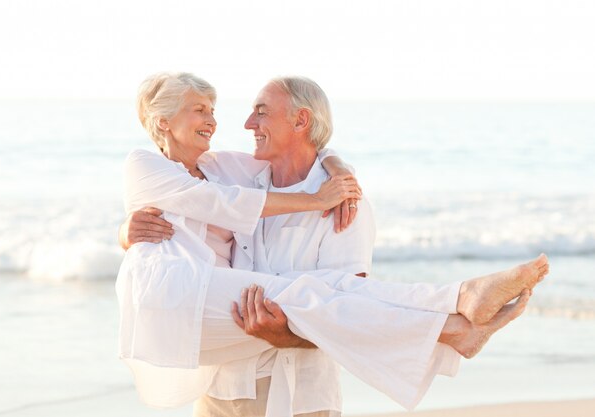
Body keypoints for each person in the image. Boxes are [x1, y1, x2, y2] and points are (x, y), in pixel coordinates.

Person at [117, 72, 550, 417]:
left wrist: (333, 166)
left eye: (262, 113)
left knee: (321, 291)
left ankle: (456, 318)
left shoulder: (329, 199)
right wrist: (126, 231)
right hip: (215, 371)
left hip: (299, 395)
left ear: (300, 121)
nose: (244, 124)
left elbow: (352, 308)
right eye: (201, 109)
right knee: (309, 292)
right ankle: (453, 316)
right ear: (162, 120)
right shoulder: (218, 176)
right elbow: (218, 203)